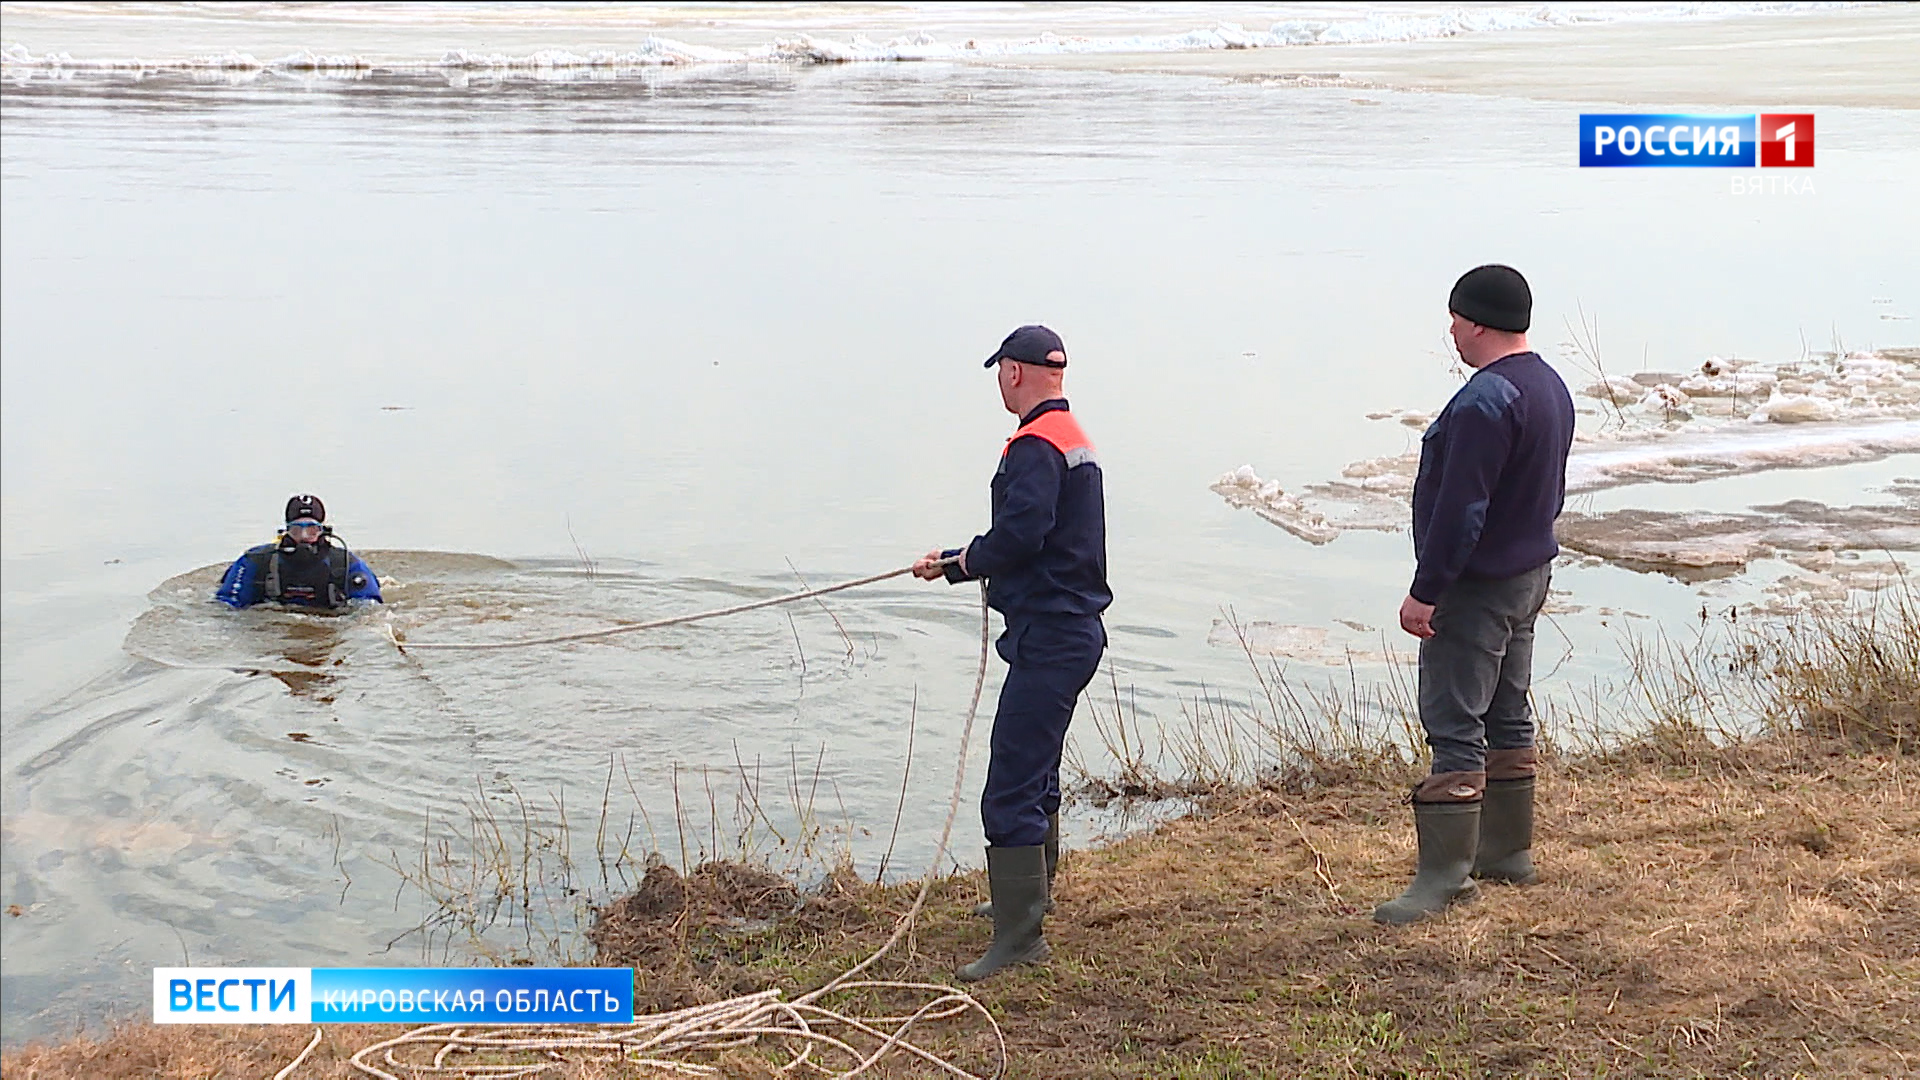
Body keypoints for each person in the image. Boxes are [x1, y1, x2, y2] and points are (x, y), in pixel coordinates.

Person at [1375, 265, 1574, 925]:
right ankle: (1507, 853)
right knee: (1508, 712)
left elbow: (1462, 509)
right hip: (1528, 574)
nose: (1452, 331)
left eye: (1456, 318)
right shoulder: (1549, 385)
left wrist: (1426, 592)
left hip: (1478, 586)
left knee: (1455, 720)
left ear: (1478, 321)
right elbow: (1549, 488)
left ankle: (1445, 878)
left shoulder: (1487, 400)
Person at [912, 324, 1110, 981]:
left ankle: (1021, 937)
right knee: (1039, 771)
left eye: (1000, 370)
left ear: (1017, 373)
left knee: (1011, 785)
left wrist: (958, 563)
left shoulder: (1033, 445)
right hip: (1069, 630)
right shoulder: (1071, 435)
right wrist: (957, 560)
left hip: (1053, 634)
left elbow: (1022, 534)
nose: (1000, 380)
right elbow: (1037, 535)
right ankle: (1026, 897)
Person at [215, 494, 383, 611]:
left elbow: (369, 608)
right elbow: (226, 605)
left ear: (323, 531)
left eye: (311, 530)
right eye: (296, 530)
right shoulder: (256, 561)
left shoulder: (346, 564)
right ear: (285, 531)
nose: (303, 538)